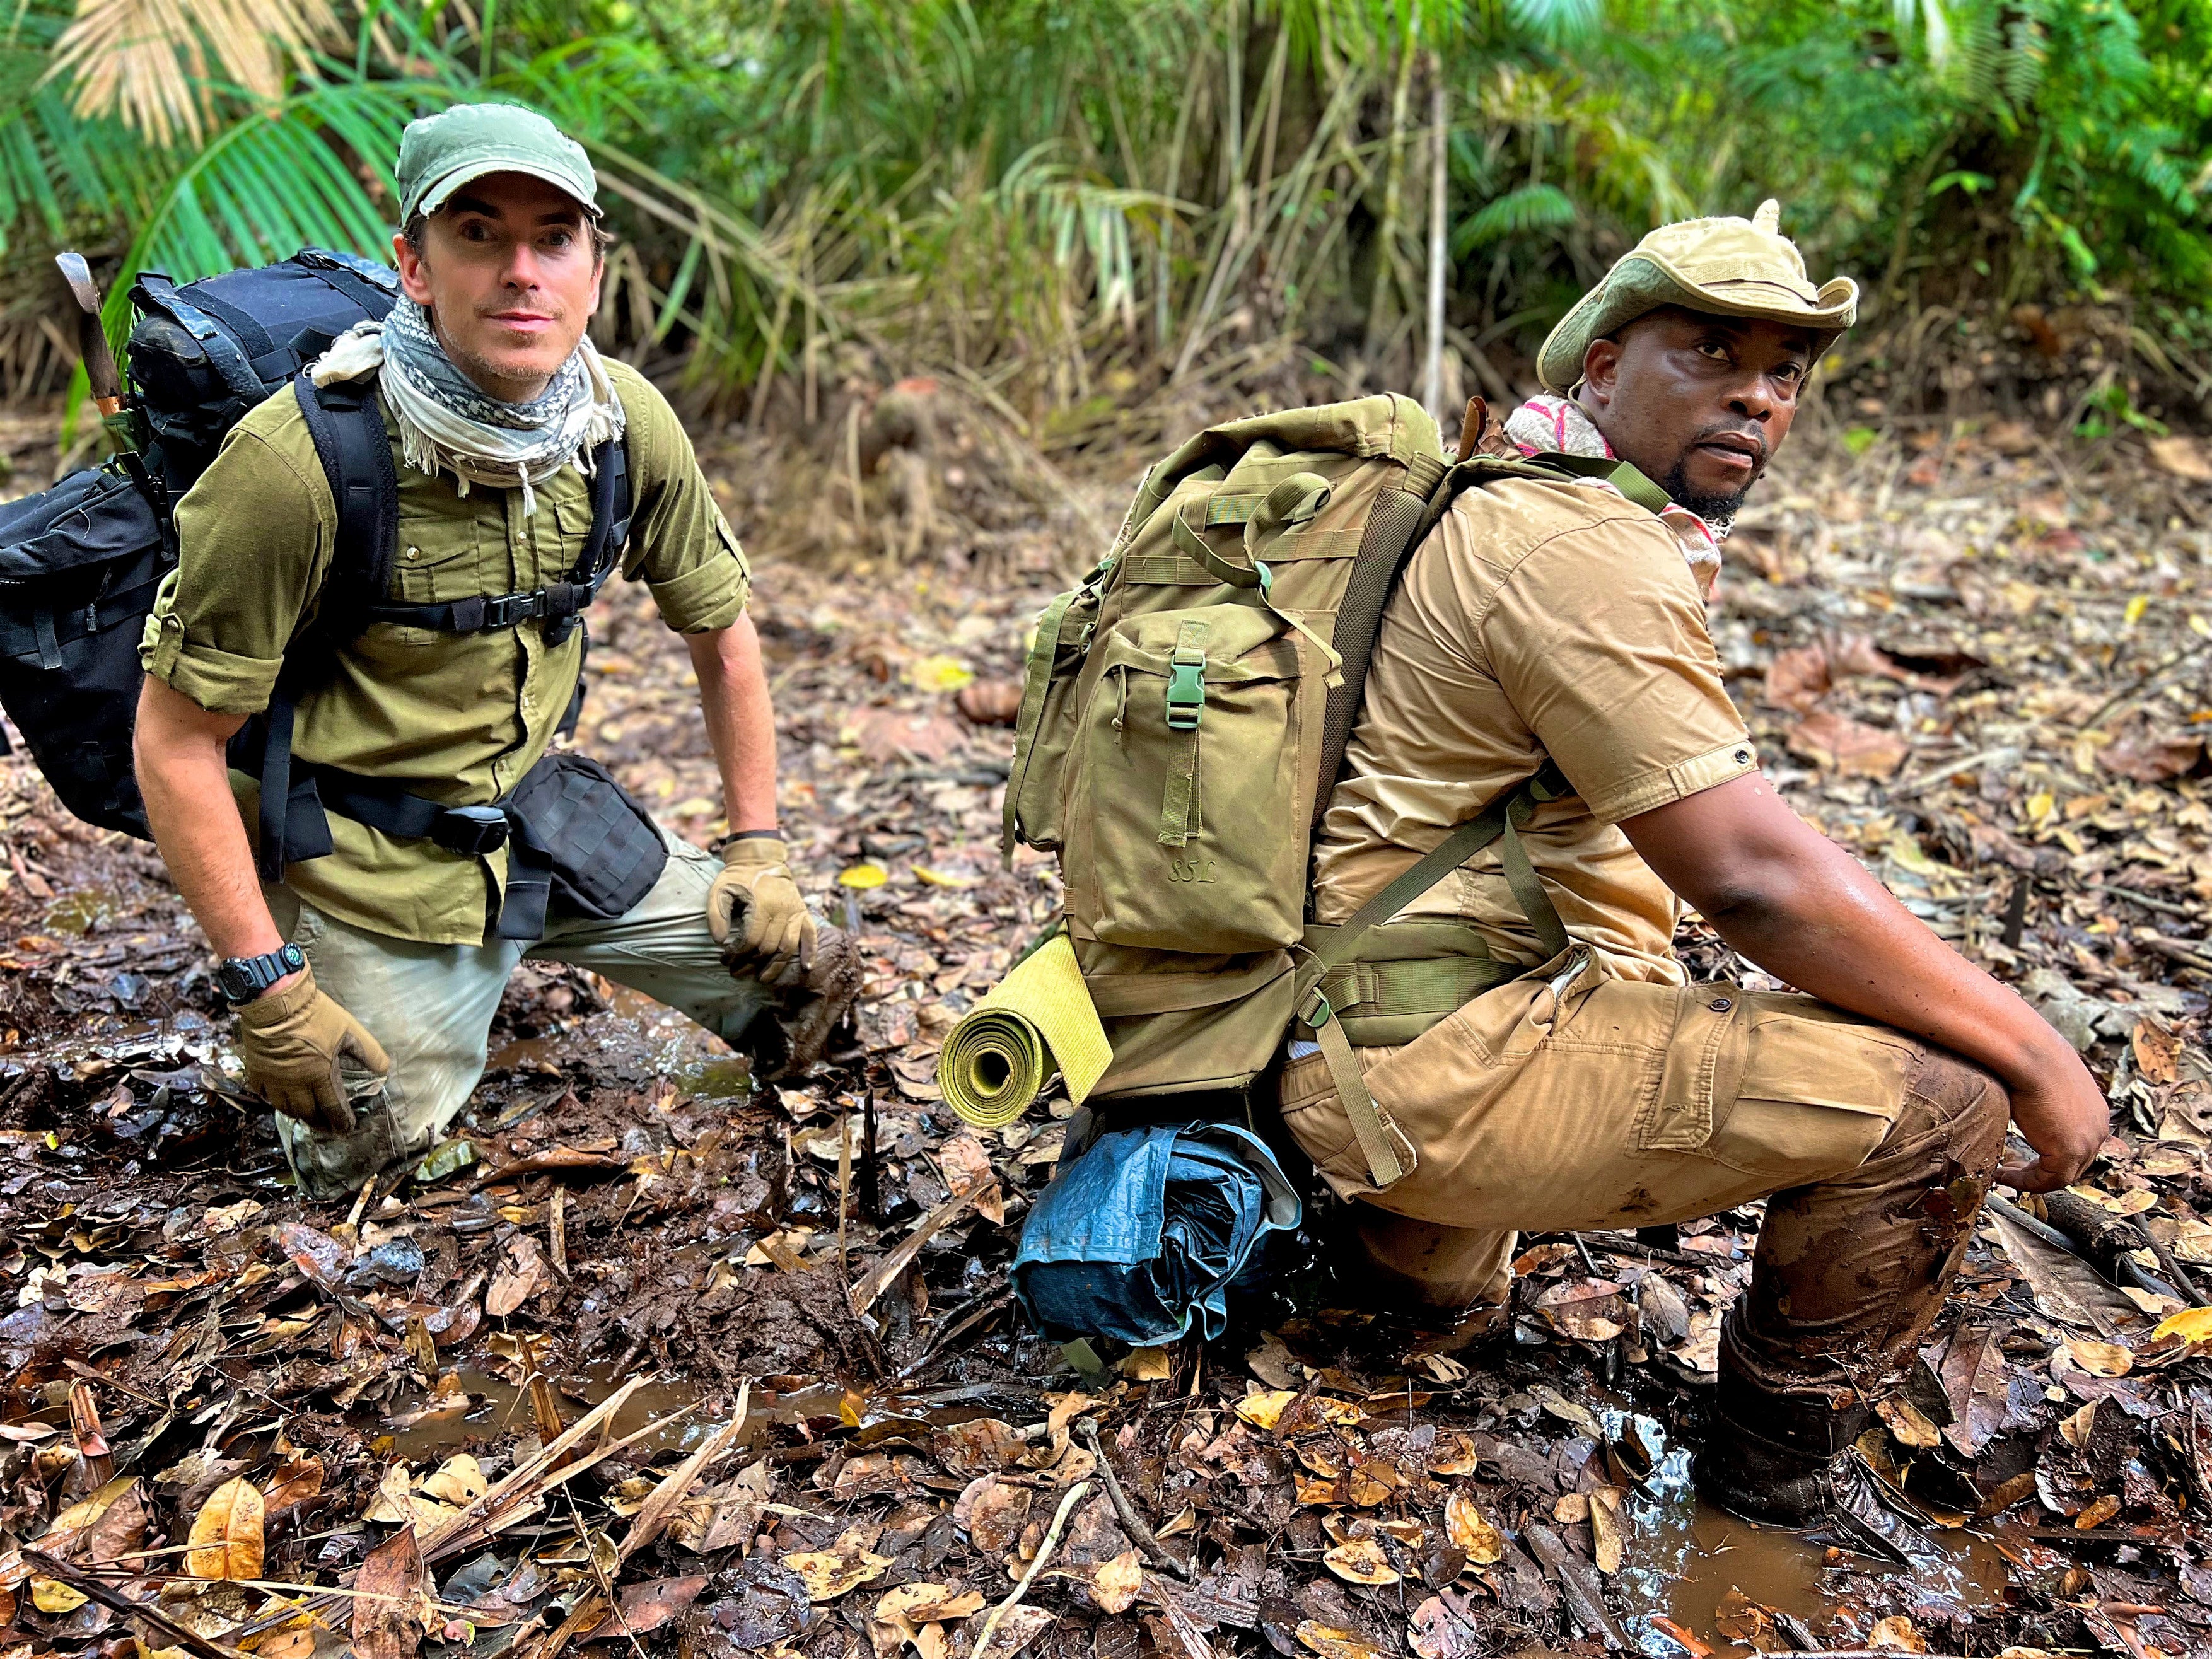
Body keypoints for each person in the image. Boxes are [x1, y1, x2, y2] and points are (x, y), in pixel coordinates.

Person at [1281, 201, 2108, 1534]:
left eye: (1784, 370)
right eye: (1709, 352)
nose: (1756, 396)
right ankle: (1760, 1503)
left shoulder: (1510, 497)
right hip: (1417, 1070)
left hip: (1345, 1021)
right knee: (1941, 1093)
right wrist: (2028, 1050)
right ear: (1599, 367)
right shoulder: (1580, 549)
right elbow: (1750, 877)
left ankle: (1404, 1282)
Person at [133, 103, 855, 1199]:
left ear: (594, 272)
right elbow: (176, 742)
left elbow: (724, 636)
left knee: (808, 983)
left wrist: (759, 848)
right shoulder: (301, 462)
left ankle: (529, 951)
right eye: (479, 234)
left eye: (553, 238)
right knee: (370, 1161)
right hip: (364, 859)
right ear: (413, 267)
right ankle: (341, 987)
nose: (523, 271)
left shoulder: (620, 423)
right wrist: (268, 989)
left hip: (532, 822)